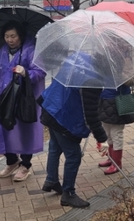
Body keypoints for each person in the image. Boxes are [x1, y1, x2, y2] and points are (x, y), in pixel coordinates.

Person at [39, 53, 108, 208]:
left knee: (55, 147)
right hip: (63, 117)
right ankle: (68, 194)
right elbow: (91, 115)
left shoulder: (78, 58)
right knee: (74, 156)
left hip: (51, 107)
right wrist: (102, 139)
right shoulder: (93, 81)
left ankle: (51, 180)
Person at [0, 21, 45, 182]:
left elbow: (40, 72)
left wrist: (26, 73)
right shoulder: (2, 51)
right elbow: (1, 74)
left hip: (24, 97)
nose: (9, 40)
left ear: (20, 36)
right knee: (4, 127)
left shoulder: (31, 50)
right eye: (6, 36)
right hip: (7, 96)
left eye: (13, 36)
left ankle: (25, 165)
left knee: (25, 130)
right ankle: (11, 161)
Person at [97, 81, 134, 175]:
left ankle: (117, 163)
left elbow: (131, 81)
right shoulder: (103, 70)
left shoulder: (123, 70)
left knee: (116, 134)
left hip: (118, 102)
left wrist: (120, 76)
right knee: (107, 134)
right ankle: (111, 159)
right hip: (104, 101)